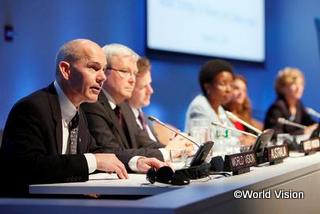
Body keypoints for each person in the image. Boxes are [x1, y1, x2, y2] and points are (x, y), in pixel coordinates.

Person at [0, 39, 128, 196]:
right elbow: (28, 167)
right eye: (94, 68)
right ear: (66, 70)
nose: (102, 77)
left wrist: (136, 162)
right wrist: (93, 161)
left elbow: (99, 152)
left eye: (104, 70)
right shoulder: (31, 108)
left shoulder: (78, 112)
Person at [82, 44, 177, 172]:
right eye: (125, 71)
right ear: (104, 71)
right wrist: (167, 153)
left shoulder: (124, 106)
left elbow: (143, 141)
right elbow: (109, 152)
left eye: (135, 73)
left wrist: (175, 150)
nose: (133, 80)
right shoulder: (92, 104)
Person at [185, 59, 247, 149]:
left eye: (231, 84)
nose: (228, 89)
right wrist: (239, 141)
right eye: (223, 83)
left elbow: (238, 135)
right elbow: (206, 145)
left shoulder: (220, 109)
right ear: (207, 86)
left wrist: (245, 139)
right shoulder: (199, 107)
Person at [264, 67, 317, 136]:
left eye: (301, 84)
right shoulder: (277, 108)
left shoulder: (298, 104)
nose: (299, 88)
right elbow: (276, 136)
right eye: (294, 84)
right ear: (282, 88)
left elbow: (310, 123)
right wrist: (302, 132)